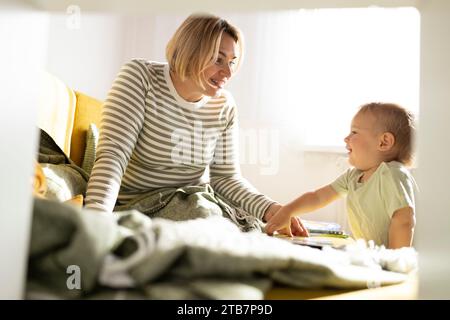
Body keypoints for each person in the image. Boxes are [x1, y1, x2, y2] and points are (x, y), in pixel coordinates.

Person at [84, 13, 308, 235]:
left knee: (249, 231)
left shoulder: (225, 106)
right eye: (218, 59)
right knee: (209, 224)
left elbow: (225, 178)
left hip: (197, 201)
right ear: (191, 52)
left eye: (231, 62)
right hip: (143, 204)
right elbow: (114, 155)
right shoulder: (141, 77)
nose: (228, 72)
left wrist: (271, 209)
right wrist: (96, 221)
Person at [265, 103, 418, 249]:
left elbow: (404, 220)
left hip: (391, 257)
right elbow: (318, 197)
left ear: (384, 142)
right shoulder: (353, 176)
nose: (346, 138)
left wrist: (395, 260)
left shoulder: (391, 173)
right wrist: (288, 211)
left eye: (354, 132)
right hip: (371, 255)